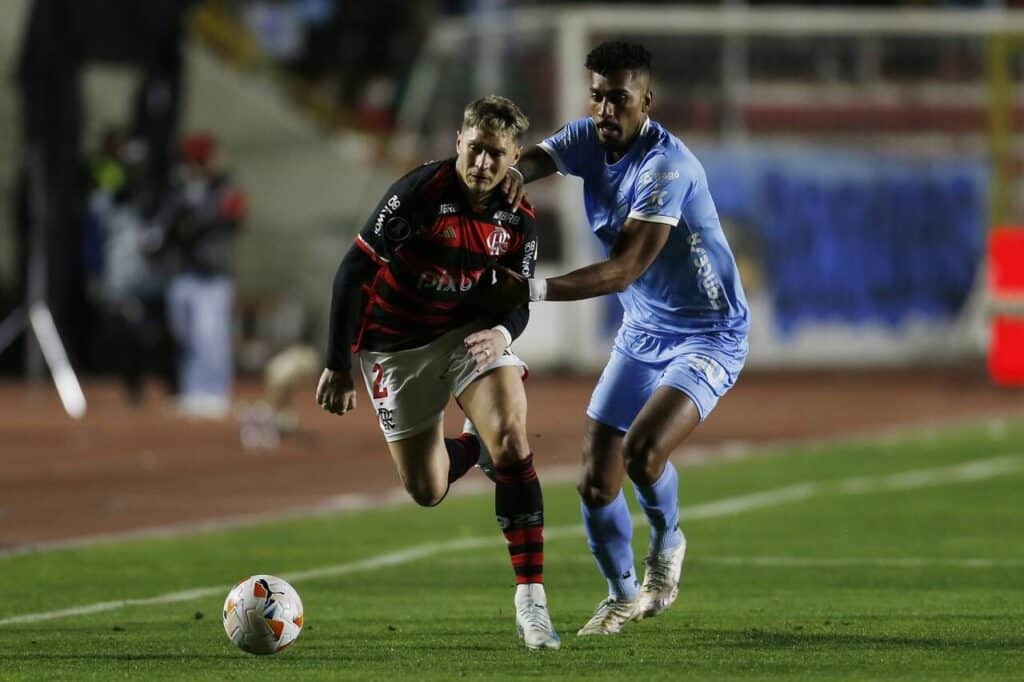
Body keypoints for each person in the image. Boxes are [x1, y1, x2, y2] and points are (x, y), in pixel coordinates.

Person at [489, 41, 750, 636]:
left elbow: (625, 267)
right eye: (598, 96)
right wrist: (507, 179)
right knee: (594, 476)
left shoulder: (668, 167)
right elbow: (538, 159)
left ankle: (667, 541)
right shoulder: (588, 136)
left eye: (620, 99)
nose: (606, 110)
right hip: (643, 328)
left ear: (647, 101)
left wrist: (531, 289)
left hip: (708, 332)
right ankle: (622, 595)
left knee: (642, 452)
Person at [315, 95, 560, 650]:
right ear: (458, 143)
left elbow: (517, 300)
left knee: (514, 440)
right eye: (474, 150)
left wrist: (504, 333)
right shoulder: (418, 196)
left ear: (514, 155)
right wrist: (335, 364)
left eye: (495, 154)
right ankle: (472, 450)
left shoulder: (518, 219)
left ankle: (532, 603)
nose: (481, 164)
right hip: (396, 346)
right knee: (426, 489)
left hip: (468, 336)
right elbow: (352, 271)